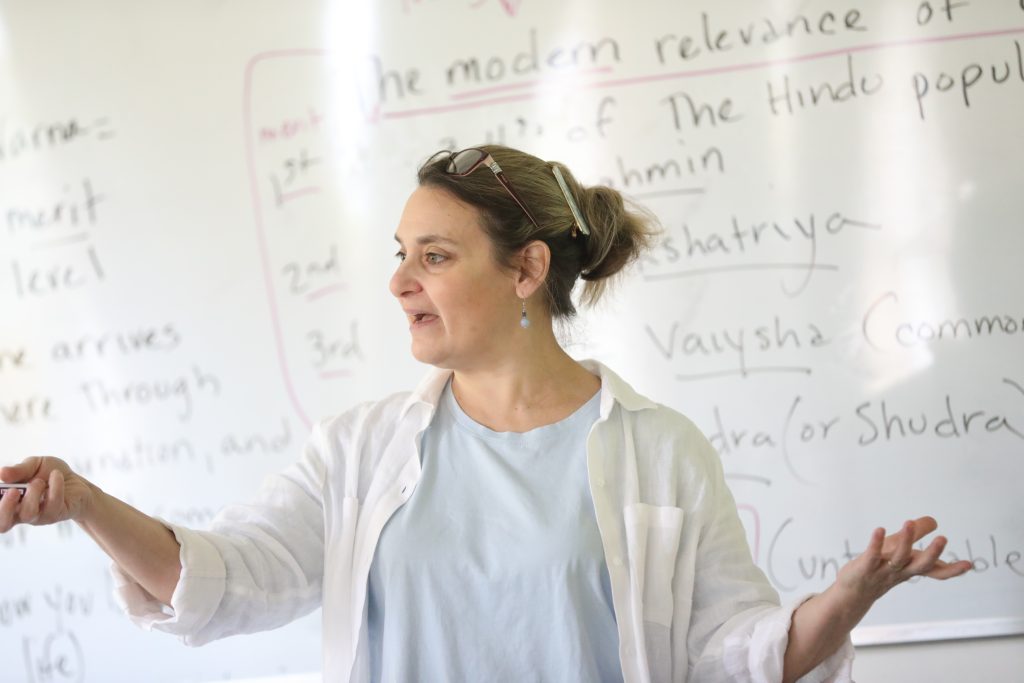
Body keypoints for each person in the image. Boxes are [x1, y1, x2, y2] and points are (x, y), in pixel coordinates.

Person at [0, 144, 971, 683]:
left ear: (525, 269)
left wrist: (838, 605)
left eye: (434, 255)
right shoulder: (359, 450)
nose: (399, 281)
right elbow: (225, 580)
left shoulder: (659, 451)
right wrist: (83, 501)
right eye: (400, 254)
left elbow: (732, 655)